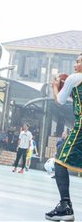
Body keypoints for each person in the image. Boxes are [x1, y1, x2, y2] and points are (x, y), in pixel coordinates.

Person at [45, 54, 82, 221]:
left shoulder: (74, 78)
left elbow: (59, 100)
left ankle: (65, 206)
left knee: (59, 160)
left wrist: (55, 85)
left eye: (79, 61)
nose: (76, 64)